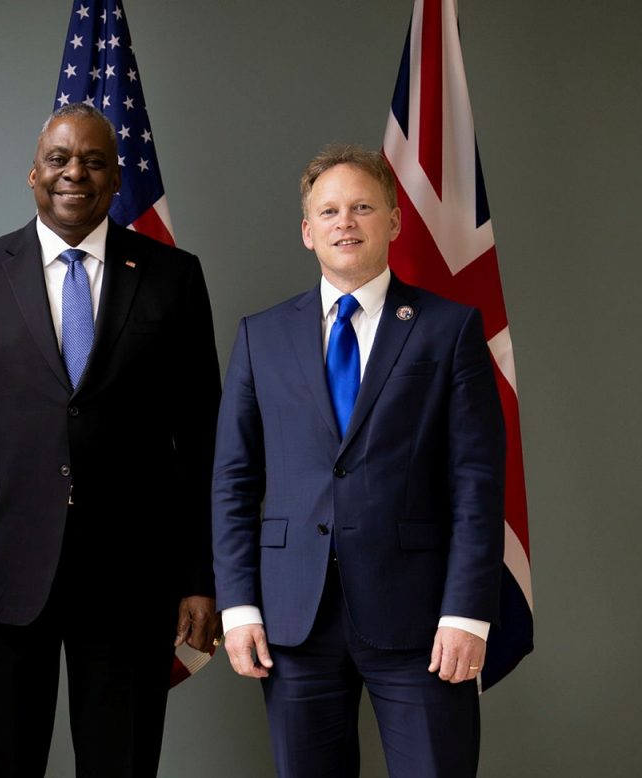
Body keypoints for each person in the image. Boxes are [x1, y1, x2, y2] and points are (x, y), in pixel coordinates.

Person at [0, 103, 221, 777]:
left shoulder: (174, 277)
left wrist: (201, 576)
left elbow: (200, 440)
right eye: (60, 159)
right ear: (33, 174)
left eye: (95, 161)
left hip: (132, 576)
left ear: (115, 181)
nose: (75, 172)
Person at [211, 144, 505, 777]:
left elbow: (476, 483)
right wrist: (237, 606)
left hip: (423, 621)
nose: (346, 222)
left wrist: (466, 611)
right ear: (308, 231)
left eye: (363, 207)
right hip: (293, 620)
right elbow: (233, 482)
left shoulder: (447, 329)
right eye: (330, 210)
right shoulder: (260, 336)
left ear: (394, 222)